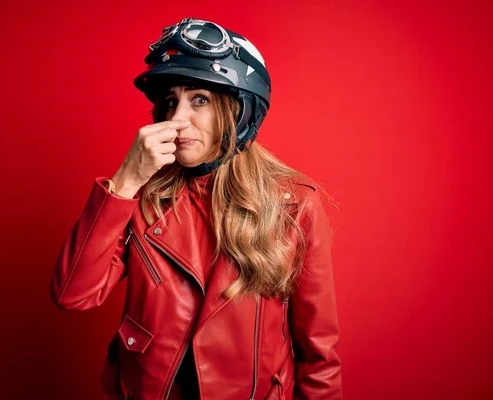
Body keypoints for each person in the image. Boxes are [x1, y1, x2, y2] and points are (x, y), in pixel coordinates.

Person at [50, 18, 342, 400]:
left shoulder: (295, 203)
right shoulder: (144, 197)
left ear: (240, 113)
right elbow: (73, 293)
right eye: (170, 101)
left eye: (199, 100)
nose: (177, 119)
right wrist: (125, 182)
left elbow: (318, 351)